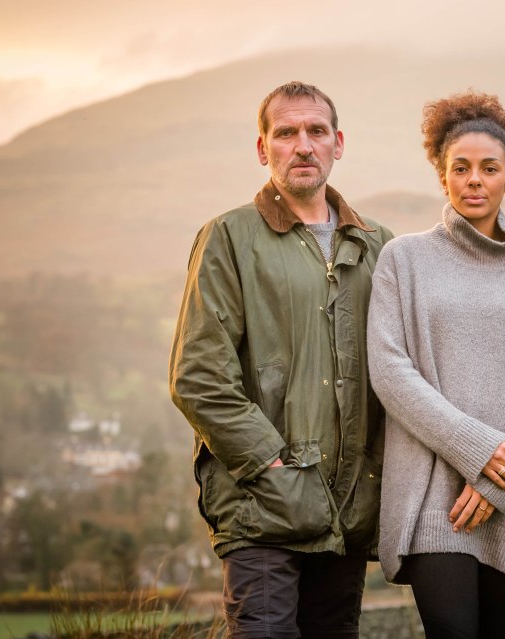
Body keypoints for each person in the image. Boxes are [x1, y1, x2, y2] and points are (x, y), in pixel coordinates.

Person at [168, 81, 393, 639]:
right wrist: (273, 466)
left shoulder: (378, 246)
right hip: (261, 507)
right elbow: (198, 377)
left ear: (338, 143)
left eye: (316, 131)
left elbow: (401, 373)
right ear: (262, 147)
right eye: (286, 132)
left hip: (347, 508)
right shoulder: (228, 237)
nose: (303, 145)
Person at [367, 91, 505, 638]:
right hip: (434, 493)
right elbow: (390, 371)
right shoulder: (403, 260)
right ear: (442, 176)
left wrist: (500, 478)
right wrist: (480, 453)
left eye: (490, 168)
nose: (474, 180)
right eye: (460, 168)